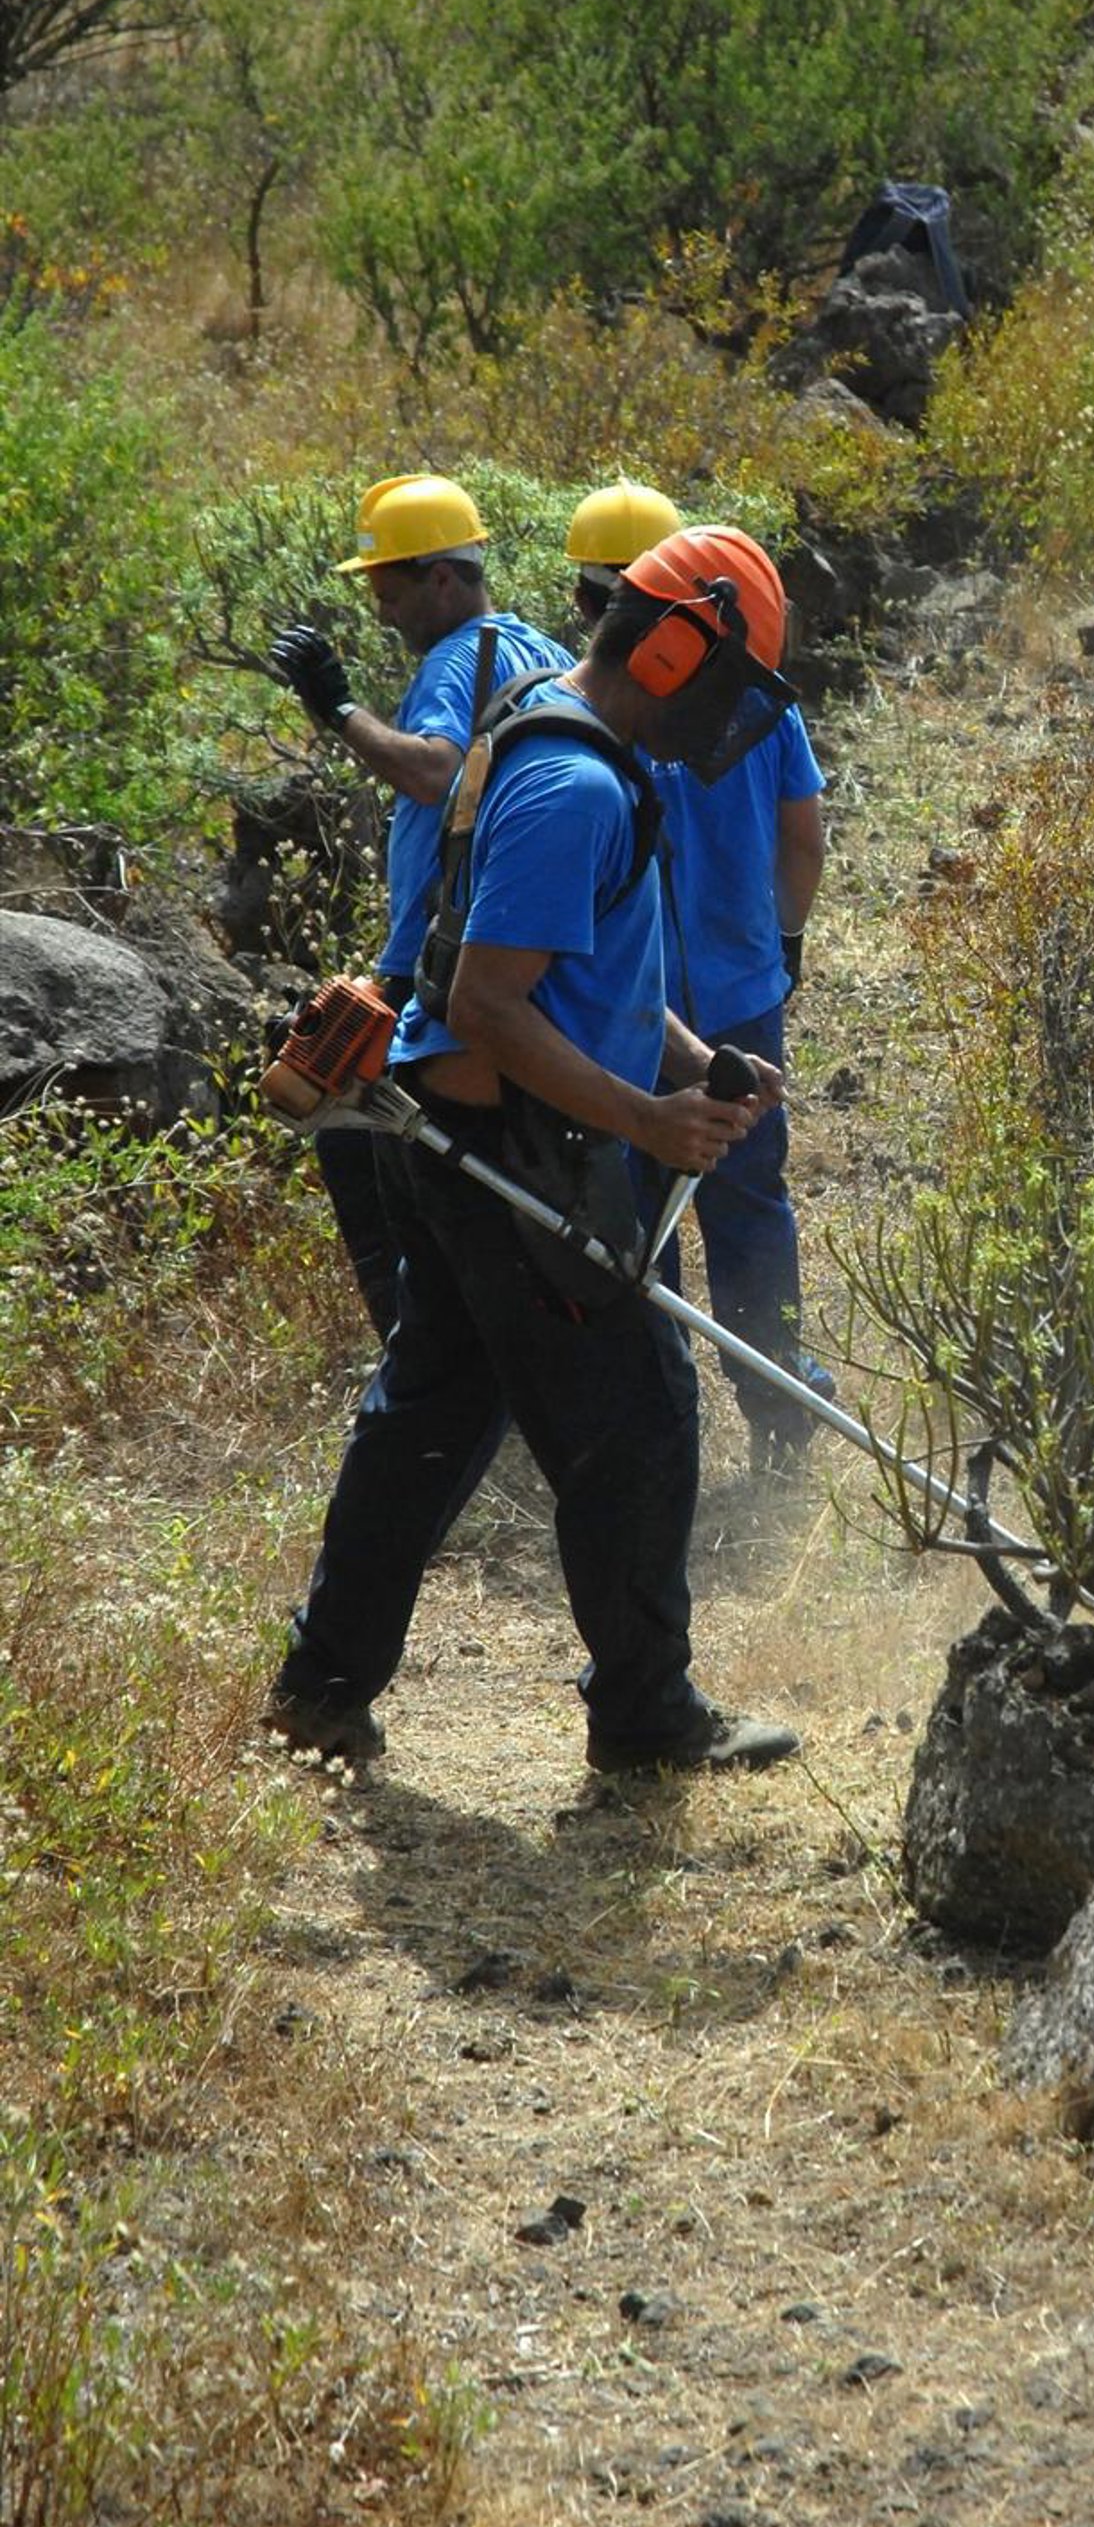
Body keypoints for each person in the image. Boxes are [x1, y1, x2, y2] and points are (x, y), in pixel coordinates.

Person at [264, 525, 804, 1779]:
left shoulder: (554, 726)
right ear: (672, 652)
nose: (727, 719)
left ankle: (320, 1689)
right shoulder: (577, 788)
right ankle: (646, 1717)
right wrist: (647, 1121)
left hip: (465, 1143)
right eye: (728, 685)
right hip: (514, 1156)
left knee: (426, 1420)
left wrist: (693, 1061)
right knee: (643, 1422)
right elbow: (491, 1004)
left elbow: (584, 973)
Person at [565, 484, 833, 1470]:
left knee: (640, 1223)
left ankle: (661, 1425)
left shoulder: (598, 717)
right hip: (742, 997)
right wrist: (783, 942)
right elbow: (803, 837)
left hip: (631, 1014)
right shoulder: (752, 703)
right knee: (751, 1203)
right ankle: (781, 1412)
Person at [268, 475, 572, 1337]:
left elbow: (433, 770)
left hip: (436, 960)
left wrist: (336, 707)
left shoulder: (455, 659)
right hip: (506, 946)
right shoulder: (540, 650)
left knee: (367, 1152)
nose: (383, 612)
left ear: (441, 577)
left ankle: (423, 1353)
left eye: (390, 592)